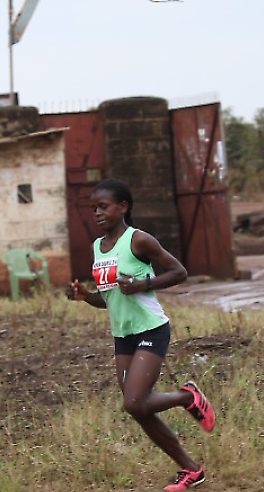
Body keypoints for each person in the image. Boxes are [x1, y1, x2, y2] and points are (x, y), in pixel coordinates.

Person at [66, 178, 214, 492]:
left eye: (103, 206)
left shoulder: (138, 240)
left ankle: (188, 397)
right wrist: (85, 296)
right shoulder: (97, 247)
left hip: (151, 329)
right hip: (123, 335)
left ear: (123, 207)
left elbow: (179, 271)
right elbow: (108, 298)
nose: (97, 213)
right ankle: (191, 470)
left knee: (134, 402)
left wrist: (142, 285)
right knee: (139, 408)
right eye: (93, 208)